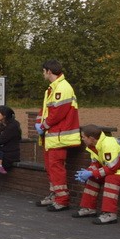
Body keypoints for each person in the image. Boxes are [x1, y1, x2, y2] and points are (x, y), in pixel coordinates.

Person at [72, 124, 120, 225]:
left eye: (83, 137)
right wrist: (88, 172)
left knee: (111, 179)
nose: (82, 139)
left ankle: (110, 214)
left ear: (91, 138)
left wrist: (91, 173)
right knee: (94, 177)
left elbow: (111, 168)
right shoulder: (93, 146)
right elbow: (96, 164)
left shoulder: (108, 145)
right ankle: (88, 208)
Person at [35, 59, 81, 212]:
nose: (43, 74)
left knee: (56, 168)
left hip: (59, 136)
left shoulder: (62, 88)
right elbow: (46, 110)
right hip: (52, 136)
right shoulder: (53, 88)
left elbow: (57, 113)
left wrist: (43, 126)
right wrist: (40, 123)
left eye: (43, 71)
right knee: (51, 168)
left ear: (49, 71)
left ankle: (62, 200)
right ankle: (55, 195)